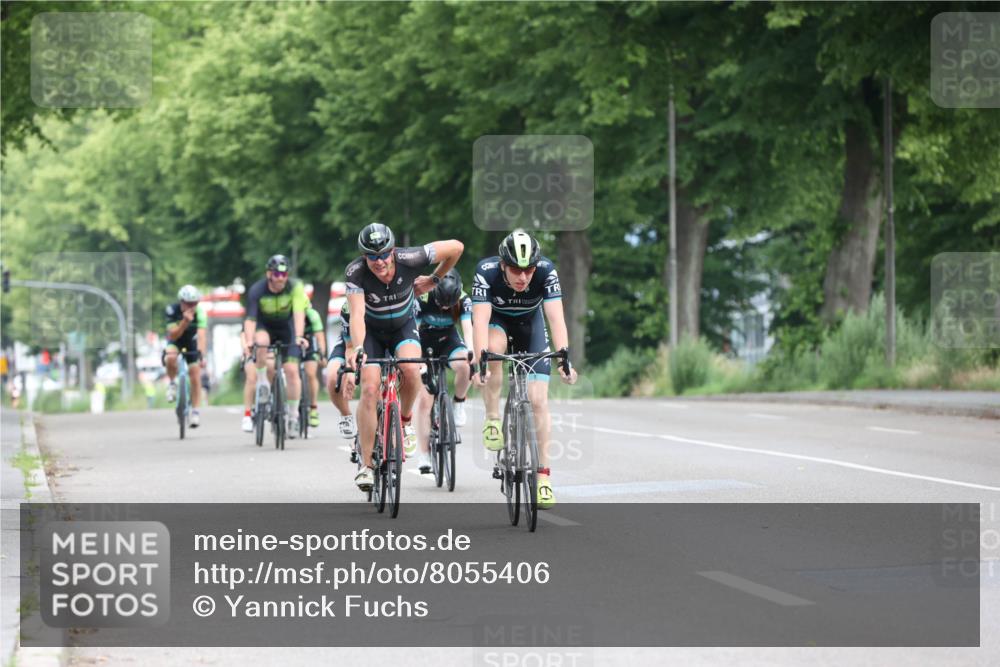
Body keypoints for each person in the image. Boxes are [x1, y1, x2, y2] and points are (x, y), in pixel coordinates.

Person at [345, 222, 464, 490]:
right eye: (371, 256)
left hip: (402, 327)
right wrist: (359, 348)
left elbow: (457, 247)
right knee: (370, 388)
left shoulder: (411, 258)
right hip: (372, 332)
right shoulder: (355, 273)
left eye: (384, 254)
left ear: (393, 250)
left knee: (411, 369)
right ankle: (366, 465)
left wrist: (434, 279)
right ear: (364, 256)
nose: (379, 261)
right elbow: (355, 316)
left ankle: (405, 420)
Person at [471, 229, 577, 510]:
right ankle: (493, 418)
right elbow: (479, 322)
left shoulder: (546, 271)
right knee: (493, 350)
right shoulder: (486, 271)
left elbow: (556, 319)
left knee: (539, 400)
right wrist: (479, 362)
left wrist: (564, 358)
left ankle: (543, 478)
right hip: (498, 324)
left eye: (528, 270)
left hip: (532, 327)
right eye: (516, 270)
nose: (523, 277)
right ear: (503, 265)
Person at [413, 268, 474, 473]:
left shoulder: (464, 300)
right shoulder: (424, 297)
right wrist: (419, 363)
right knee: (424, 400)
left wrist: (472, 353)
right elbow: (413, 332)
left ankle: (458, 403)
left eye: (449, 304)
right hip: (423, 342)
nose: (444, 307)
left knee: (465, 365)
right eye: (441, 303)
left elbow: (468, 330)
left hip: (449, 341)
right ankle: (423, 453)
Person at [241, 255, 309, 436]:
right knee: (260, 342)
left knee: (292, 371)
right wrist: (249, 341)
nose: (281, 278)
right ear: (269, 274)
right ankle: (263, 382)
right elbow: (250, 319)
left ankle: (293, 416)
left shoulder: (295, 287)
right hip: (265, 326)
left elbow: (299, 312)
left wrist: (300, 336)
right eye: (277, 274)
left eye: (284, 274)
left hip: (287, 327)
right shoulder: (257, 289)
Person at [163, 285, 208, 427]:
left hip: (191, 342)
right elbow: (173, 334)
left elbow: (201, 335)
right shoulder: (172, 310)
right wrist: (184, 322)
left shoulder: (200, 312)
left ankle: (195, 411)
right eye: (188, 303)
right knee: (170, 357)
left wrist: (202, 355)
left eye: (194, 303)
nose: (191, 306)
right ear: (181, 302)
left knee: (195, 373)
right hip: (176, 339)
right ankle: (172, 383)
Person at [325, 300, 358, 439]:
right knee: (333, 376)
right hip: (348, 344)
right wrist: (350, 371)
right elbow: (349, 346)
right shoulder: (349, 306)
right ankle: (346, 414)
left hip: (380, 342)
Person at [302, 305, 328, 429]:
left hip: (309, 341)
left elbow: (320, 337)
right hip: (292, 340)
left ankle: (313, 407)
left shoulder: (312, 314)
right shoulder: (287, 312)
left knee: (311, 373)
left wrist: (322, 354)